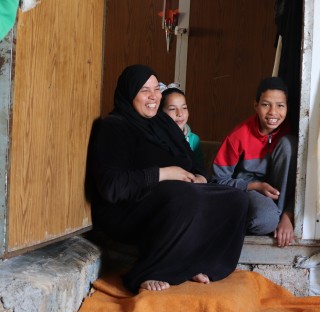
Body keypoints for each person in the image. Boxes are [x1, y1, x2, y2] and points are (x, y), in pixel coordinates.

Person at [88, 64, 249, 293]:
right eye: (145, 90)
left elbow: (192, 160)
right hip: (128, 208)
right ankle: (149, 272)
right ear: (129, 93)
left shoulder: (163, 123)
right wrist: (164, 174)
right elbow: (112, 185)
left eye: (157, 89)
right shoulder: (114, 127)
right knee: (183, 196)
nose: (154, 97)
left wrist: (200, 177)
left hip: (176, 197)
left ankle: (197, 263)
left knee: (236, 199)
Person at [212, 76, 296, 247]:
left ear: (287, 107)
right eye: (266, 105)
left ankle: (279, 216)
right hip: (250, 191)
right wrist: (255, 186)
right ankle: (267, 219)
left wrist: (288, 215)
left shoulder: (292, 131)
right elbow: (216, 181)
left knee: (289, 144)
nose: (273, 112)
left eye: (280, 105)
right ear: (256, 106)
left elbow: (300, 182)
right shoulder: (238, 136)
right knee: (265, 221)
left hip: (279, 196)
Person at [158, 84, 205, 166]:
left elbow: (200, 168)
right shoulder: (155, 138)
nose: (180, 114)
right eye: (172, 109)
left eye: (184, 107)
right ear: (160, 112)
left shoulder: (194, 139)